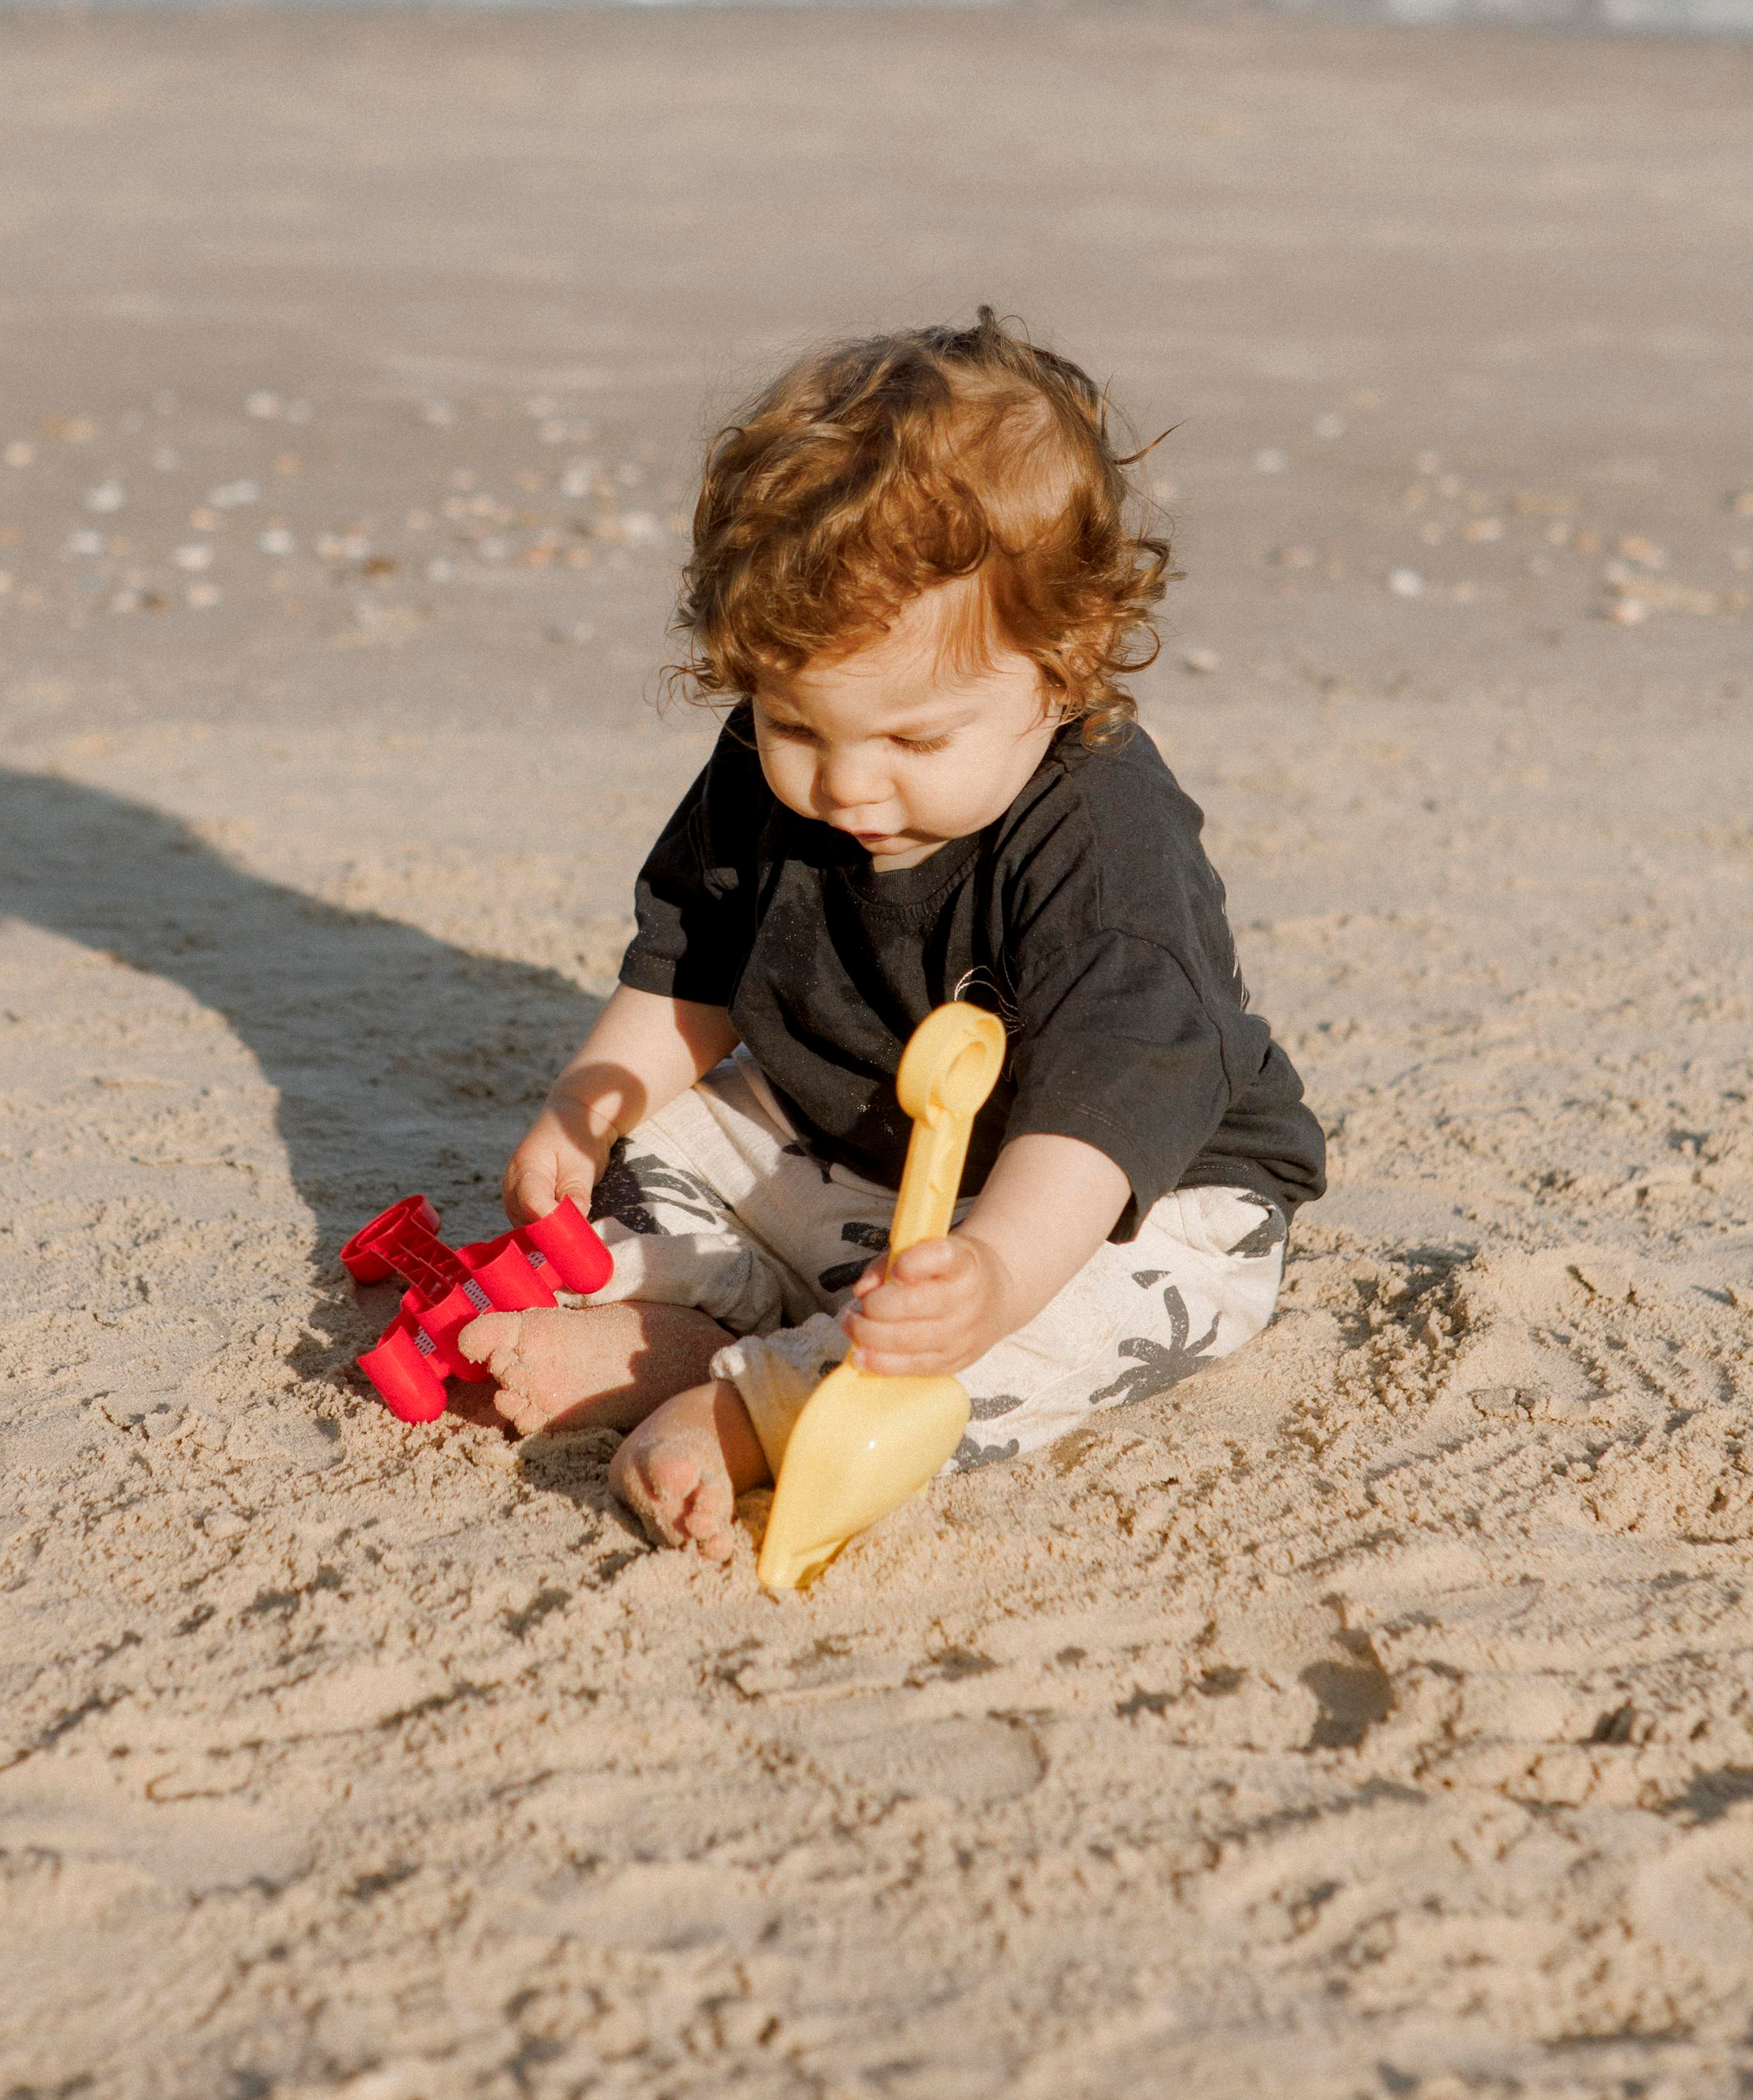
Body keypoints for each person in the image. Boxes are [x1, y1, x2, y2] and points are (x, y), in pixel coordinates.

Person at [459, 311, 1325, 1562]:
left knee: (1110, 1310)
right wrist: (590, 1104)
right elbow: (692, 962)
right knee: (663, 1129)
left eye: (915, 741)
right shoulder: (770, 760)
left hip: (1099, 1193)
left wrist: (992, 1273)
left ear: (1064, 663)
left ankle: (753, 1405)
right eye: (798, 726)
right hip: (847, 1158)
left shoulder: (1104, 849)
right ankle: (695, 1311)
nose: (848, 788)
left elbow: (1106, 1111)